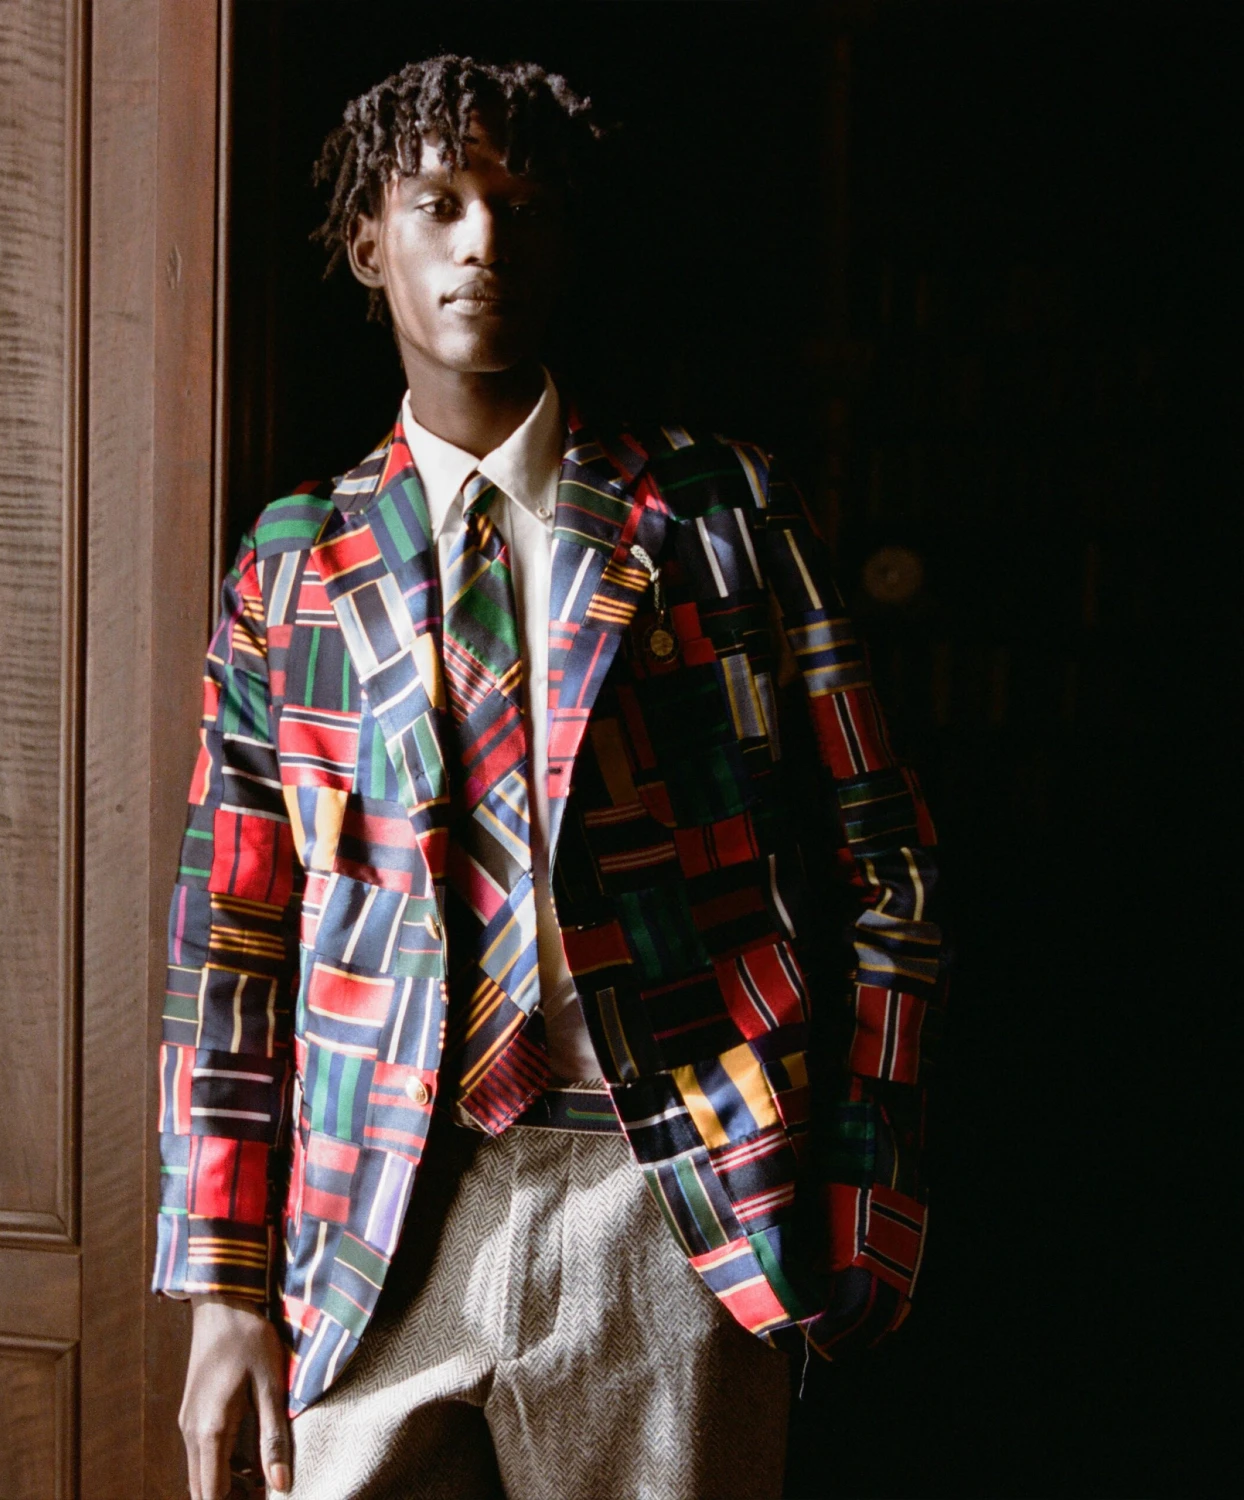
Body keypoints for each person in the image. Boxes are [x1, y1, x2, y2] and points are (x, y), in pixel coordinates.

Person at [154, 55, 947, 1500]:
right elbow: (233, 938)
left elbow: (886, 868)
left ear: (563, 240)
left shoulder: (722, 516)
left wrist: (866, 1189)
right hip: (374, 1215)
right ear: (367, 242)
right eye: (439, 203)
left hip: (675, 1204)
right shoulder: (294, 566)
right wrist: (222, 1287)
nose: (484, 243)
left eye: (519, 206)